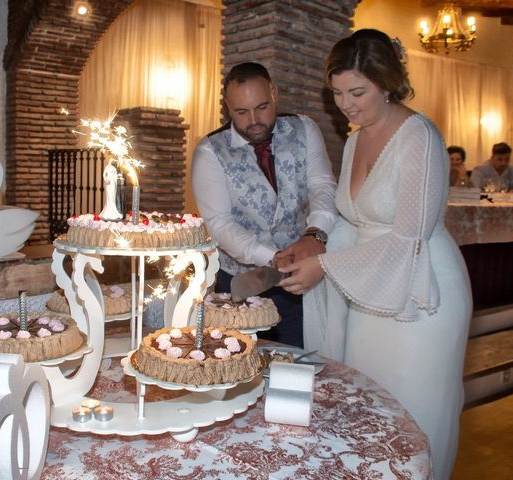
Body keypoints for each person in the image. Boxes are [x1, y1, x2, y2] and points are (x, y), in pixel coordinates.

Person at [277, 29, 471, 479]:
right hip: (367, 291)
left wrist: (323, 266)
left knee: (414, 413)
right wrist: (314, 244)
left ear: (387, 83)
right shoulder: (355, 138)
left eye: (358, 92)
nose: (346, 103)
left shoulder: (418, 137)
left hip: (420, 298)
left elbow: (409, 237)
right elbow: (354, 221)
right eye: (338, 92)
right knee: (370, 410)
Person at [191, 62, 337, 349]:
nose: (254, 120)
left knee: (300, 361)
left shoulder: (304, 128)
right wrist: (273, 257)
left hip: (306, 277)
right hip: (245, 285)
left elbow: (322, 185)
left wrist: (315, 234)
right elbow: (219, 224)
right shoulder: (210, 151)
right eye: (241, 112)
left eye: (262, 107)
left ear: (274, 93)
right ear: (227, 107)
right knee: (243, 363)